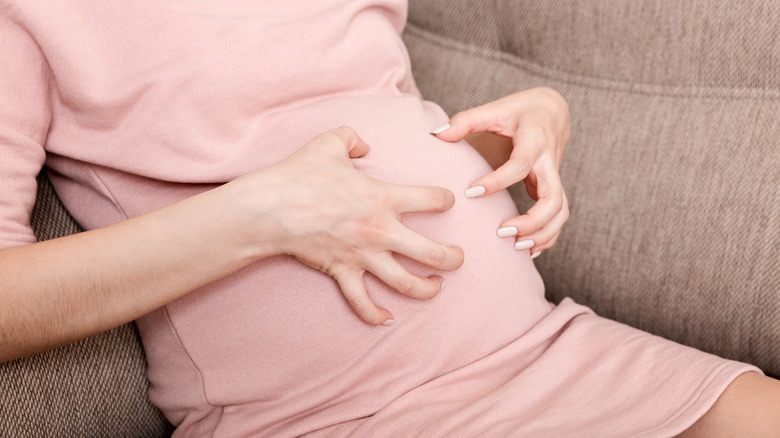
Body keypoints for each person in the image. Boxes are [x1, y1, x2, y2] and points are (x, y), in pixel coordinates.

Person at [1, 1, 778, 436]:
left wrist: (540, 116)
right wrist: (258, 216)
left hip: (542, 353)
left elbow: (374, 126)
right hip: (331, 417)